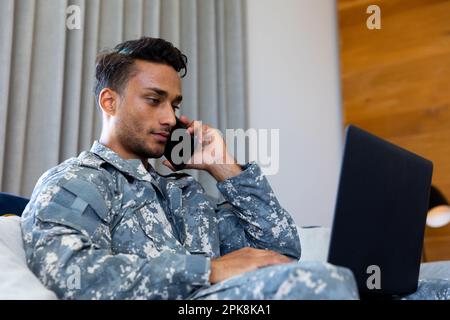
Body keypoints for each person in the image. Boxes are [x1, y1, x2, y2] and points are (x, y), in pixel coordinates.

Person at [21, 37, 358, 300]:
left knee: (408, 286)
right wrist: (208, 269)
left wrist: (224, 168)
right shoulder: (76, 181)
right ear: (110, 102)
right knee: (320, 283)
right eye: (154, 100)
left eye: (174, 104)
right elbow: (70, 272)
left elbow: (281, 252)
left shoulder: (184, 192)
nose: (169, 118)